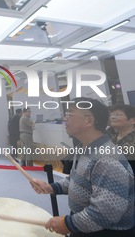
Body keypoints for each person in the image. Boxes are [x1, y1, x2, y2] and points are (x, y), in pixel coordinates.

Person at [31, 97, 134, 237]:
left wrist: (68, 224)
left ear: (89, 121)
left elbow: (106, 213)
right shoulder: (85, 148)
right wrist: (52, 187)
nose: (65, 118)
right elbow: (76, 179)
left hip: (106, 232)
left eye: (70, 114)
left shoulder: (106, 159)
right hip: (87, 226)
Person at [109, 104, 135, 177]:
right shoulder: (111, 140)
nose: (113, 117)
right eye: (112, 114)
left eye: (118, 115)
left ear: (133, 121)